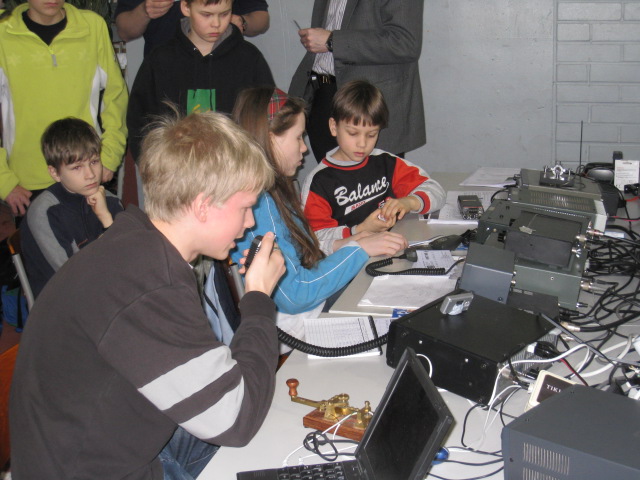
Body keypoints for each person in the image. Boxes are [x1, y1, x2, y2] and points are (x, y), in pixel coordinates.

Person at [9, 110, 286, 479]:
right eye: (245, 207)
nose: (250, 222)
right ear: (203, 205)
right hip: (96, 471)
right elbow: (235, 419)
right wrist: (259, 299)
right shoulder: (149, 282)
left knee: (278, 428)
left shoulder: (138, 243)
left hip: (115, 440)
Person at [227, 86, 407, 344]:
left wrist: (347, 242)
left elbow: (299, 254)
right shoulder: (257, 206)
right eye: (298, 138)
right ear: (270, 139)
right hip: (295, 325)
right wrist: (359, 250)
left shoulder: (272, 191)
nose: (304, 148)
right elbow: (295, 296)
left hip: (308, 307)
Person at [0, 0, 128, 217]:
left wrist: (109, 155)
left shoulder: (92, 26)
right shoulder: (4, 31)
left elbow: (116, 96)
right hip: (27, 180)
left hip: (85, 171)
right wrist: (4, 180)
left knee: (99, 236)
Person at [301, 80, 446, 253]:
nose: (362, 144)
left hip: (392, 249)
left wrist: (409, 202)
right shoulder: (319, 182)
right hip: (350, 261)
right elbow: (316, 240)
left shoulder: (386, 163)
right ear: (334, 127)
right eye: (353, 133)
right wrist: (360, 230)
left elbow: (436, 191)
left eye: (371, 134)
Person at [126, 0, 274, 161]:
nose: (216, 24)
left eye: (224, 14)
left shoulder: (249, 58)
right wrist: (151, 163)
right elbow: (139, 120)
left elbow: (267, 117)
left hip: (236, 168)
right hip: (174, 170)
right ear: (186, 8)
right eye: (206, 15)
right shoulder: (160, 60)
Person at [289, 0, 425, 162]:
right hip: (322, 96)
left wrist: (332, 41)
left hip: (370, 105)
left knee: (374, 178)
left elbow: (405, 42)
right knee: (329, 176)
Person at [20, 118, 124, 299]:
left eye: (94, 162)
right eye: (77, 167)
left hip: (108, 293)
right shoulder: (45, 213)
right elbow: (74, 279)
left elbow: (129, 258)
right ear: (55, 173)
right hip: (64, 302)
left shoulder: (110, 201)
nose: (90, 175)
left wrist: (106, 218)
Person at [115, 0, 269, 56]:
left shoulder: (251, 59)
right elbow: (124, 31)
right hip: (166, 72)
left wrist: (241, 22)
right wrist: (144, 11)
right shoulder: (157, 65)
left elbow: (261, 19)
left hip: (225, 66)